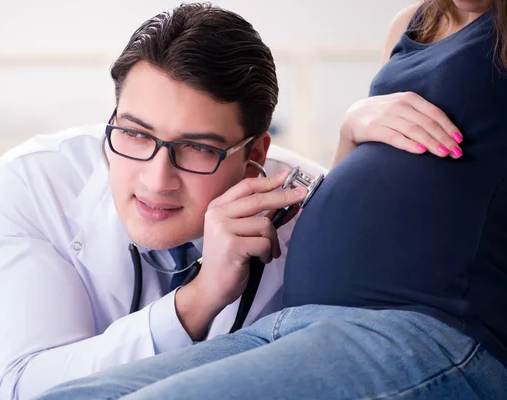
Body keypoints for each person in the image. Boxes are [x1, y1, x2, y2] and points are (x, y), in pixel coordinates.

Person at [35, 1, 507, 399]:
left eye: (197, 147)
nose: (159, 177)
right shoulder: (412, 25)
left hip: (429, 328)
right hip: (298, 323)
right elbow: (370, 189)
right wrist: (350, 131)